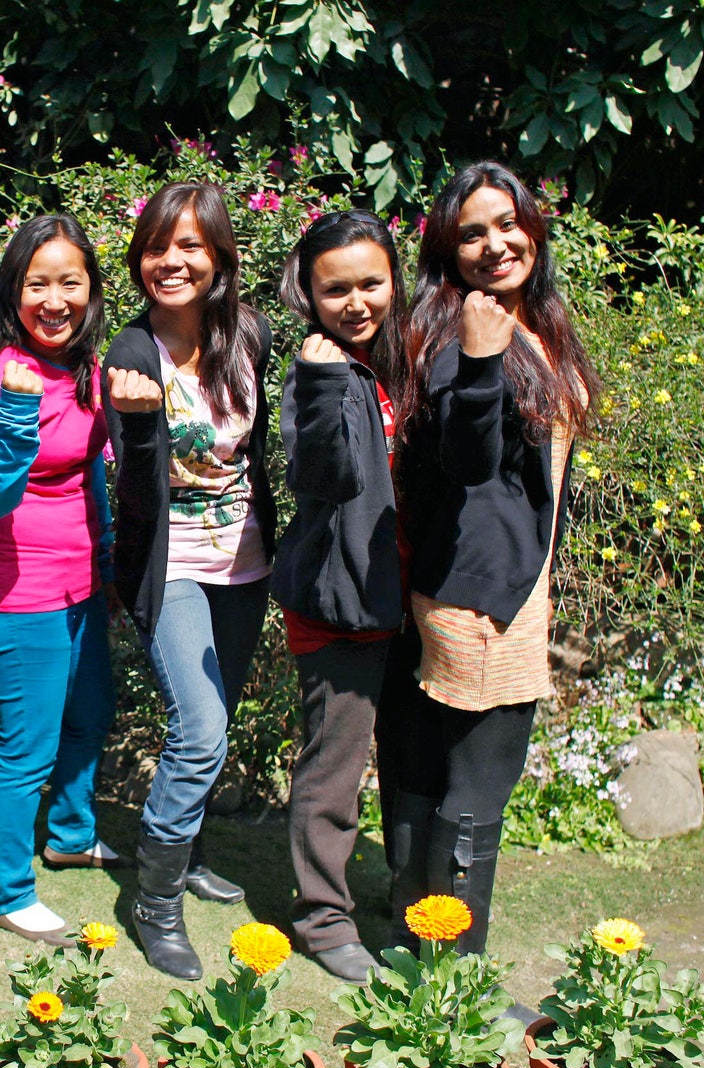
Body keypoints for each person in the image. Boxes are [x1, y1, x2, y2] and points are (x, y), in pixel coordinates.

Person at [390, 161, 602, 956]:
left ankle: (412, 924)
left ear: (535, 229)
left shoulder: (537, 323)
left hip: (499, 579)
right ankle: (452, 966)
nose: (495, 244)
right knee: (481, 783)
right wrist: (481, 362)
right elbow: (467, 459)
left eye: (508, 224)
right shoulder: (461, 333)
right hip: (483, 594)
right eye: (472, 232)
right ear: (448, 249)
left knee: (431, 764)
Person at [103, 182, 277, 980]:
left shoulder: (251, 336)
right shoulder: (131, 356)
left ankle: (193, 850)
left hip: (243, 565)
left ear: (219, 258)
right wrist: (140, 425)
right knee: (199, 729)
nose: (170, 262)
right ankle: (155, 904)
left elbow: (263, 454)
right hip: (169, 565)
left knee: (219, 721)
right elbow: (136, 495)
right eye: (156, 247)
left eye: (189, 247)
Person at [0, 215, 118, 946]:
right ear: (13, 292)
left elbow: (94, 478)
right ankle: (7, 890)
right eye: (37, 284)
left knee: (88, 719)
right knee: (27, 752)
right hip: (18, 598)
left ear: (90, 291)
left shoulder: (86, 369)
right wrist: (20, 411)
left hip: (84, 585)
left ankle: (71, 832)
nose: (54, 300)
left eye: (69, 283)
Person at [271, 210, 410, 984]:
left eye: (370, 283)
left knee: (413, 764)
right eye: (336, 290)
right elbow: (320, 476)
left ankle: (412, 899)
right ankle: (323, 920)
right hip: (342, 602)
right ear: (310, 293)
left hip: (408, 597)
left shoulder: (404, 359)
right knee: (334, 769)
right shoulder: (318, 369)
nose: (356, 301)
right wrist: (323, 383)